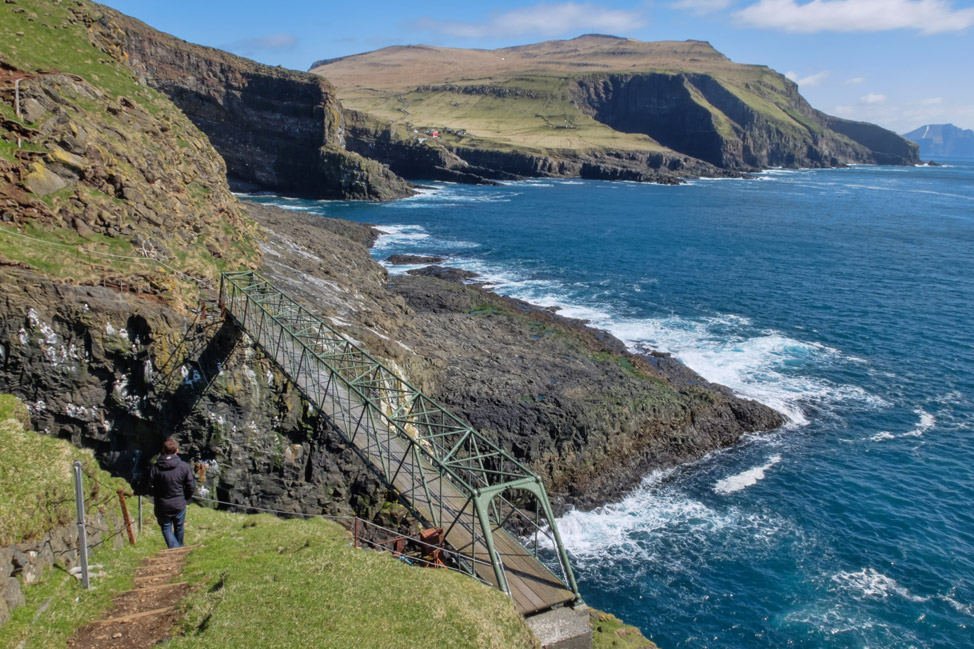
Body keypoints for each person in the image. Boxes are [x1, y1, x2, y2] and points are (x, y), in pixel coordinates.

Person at [149, 437, 195, 548]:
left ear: (163, 451)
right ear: (177, 451)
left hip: (162, 504)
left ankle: (175, 549)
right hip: (179, 502)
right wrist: (185, 498)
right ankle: (178, 549)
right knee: (179, 527)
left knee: (166, 528)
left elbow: (148, 484)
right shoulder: (184, 466)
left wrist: (155, 495)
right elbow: (191, 486)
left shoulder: (155, 468)